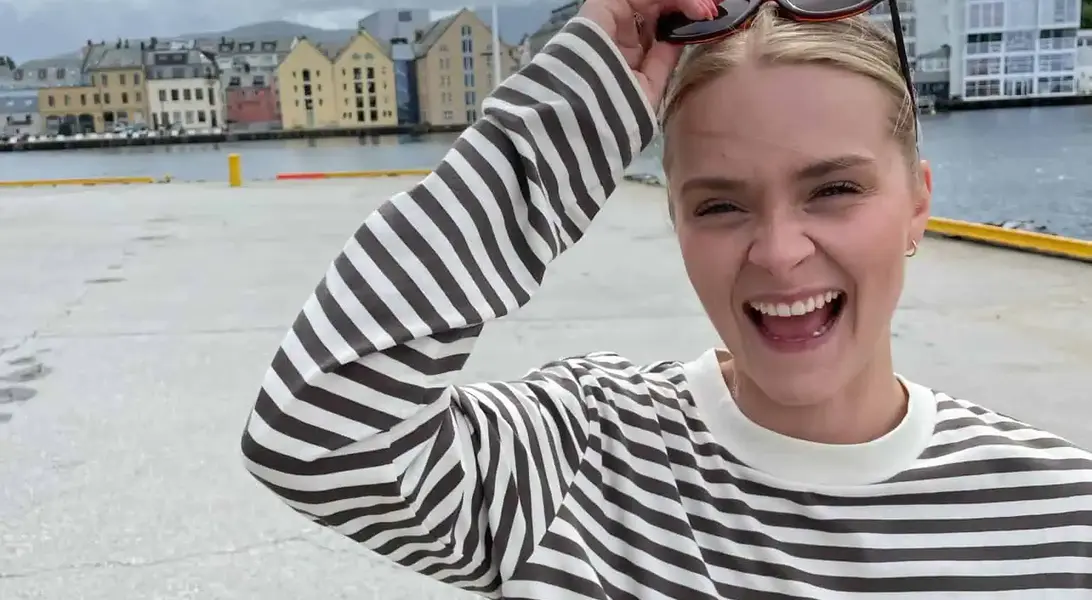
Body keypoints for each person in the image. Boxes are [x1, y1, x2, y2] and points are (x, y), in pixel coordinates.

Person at [239, 0, 1092, 596]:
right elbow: (316, 437)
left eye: (833, 190)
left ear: (918, 203)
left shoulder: (1061, 515)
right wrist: (574, 107)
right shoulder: (584, 454)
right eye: (720, 205)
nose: (779, 251)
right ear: (675, 219)